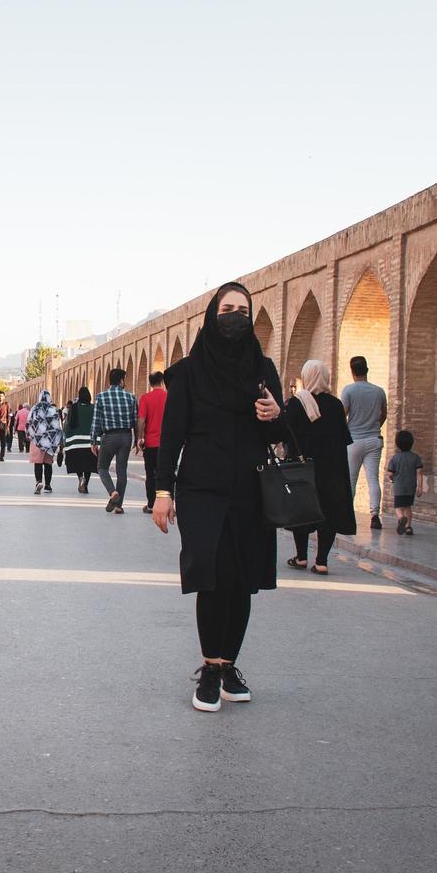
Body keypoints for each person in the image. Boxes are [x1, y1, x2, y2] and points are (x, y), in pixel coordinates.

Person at [152, 281, 285, 713]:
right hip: (202, 487)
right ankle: (210, 668)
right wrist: (162, 490)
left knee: (242, 579)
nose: (235, 317)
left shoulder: (262, 368)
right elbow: (172, 435)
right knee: (211, 573)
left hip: (251, 487)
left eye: (243, 310)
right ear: (213, 314)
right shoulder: (189, 372)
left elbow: (279, 434)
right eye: (227, 308)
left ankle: (230, 665)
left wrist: (274, 415)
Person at [285, 360, 357, 576]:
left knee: (302, 511)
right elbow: (344, 438)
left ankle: (301, 557)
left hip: (303, 468)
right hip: (331, 469)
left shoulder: (296, 403)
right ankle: (322, 561)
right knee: (329, 512)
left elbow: (286, 434)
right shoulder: (335, 405)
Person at [340, 356, 388, 530]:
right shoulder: (379, 391)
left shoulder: (349, 391)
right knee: (373, 479)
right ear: (367, 370)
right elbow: (384, 414)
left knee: (351, 478)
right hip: (374, 439)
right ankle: (375, 515)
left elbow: (342, 414)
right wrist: (375, 426)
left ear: (352, 372)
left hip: (354, 439)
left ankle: (347, 514)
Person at [92, 368, 140, 513]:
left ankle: (113, 493)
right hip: (126, 436)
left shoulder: (101, 397)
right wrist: (137, 440)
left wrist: (93, 440)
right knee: (121, 470)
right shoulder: (131, 397)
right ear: (121, 380)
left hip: (109, 437)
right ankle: (119, 506)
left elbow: (96, 420)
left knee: (102, 467)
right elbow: (135, 421)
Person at [138, 370, 168, 514]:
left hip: (150, 443)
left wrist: (139, 438)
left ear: (150, 383)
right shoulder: (169, 397)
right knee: (166, 473)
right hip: (166, 443)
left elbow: (141, 420)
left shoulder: (146, 398)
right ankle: (168, 504)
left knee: (150, 475)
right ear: (162, 382)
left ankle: (151, 504)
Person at [385, 430, 425, 536]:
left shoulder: (395, 458)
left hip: (399, 487)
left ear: (397, 444)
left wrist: (392, 478)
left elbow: (390, 473)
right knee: (407, 507)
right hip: (411, 487)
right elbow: (419, 473)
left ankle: (401, 519)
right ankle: (408, 528)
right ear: (412, 443)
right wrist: (420, 488)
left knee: (398, 507)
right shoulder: (416, 457)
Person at [27, 389, 63, 493]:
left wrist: (29, 434)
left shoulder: (34, 409)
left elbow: (29, 422)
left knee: (37, 463)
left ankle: (38, 482)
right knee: (48, 463)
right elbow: (58, 426)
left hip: (37, 440)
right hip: (49, 441)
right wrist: (59, 441)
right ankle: (48, 485)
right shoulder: (53, 409)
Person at [62, 387, 97, 492]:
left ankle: (80, 478)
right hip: (89, 442)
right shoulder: (93, 408)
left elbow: (69, 424)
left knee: (78, 463)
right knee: (88, 464)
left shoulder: (74, 407)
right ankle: (85, 485)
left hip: (76, 441)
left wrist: (65, 438)